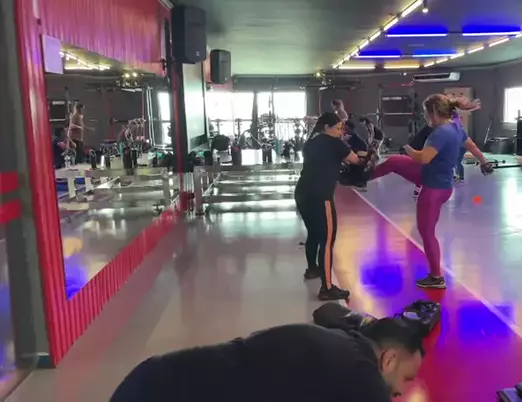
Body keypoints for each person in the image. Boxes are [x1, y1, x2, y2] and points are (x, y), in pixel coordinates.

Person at [110, 318, 424, 402]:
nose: (401, 391)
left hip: (152, 380)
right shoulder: (361, 374)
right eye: (406, 378)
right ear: (389, 359)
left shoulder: (338, 344)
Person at [367, 95, 493, 289]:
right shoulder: (457, 128)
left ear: (433, 112)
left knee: (427, 233)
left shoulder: (440, 133)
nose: (426, 117)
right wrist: (484, 162)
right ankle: (362, 177)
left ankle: (436, 277)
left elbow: (423, 158)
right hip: (436, 181)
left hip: (433, 188)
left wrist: (407, 149)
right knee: (394, 162)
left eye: (426, 113)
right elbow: (473, 146)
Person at [295, 112, 362, 300]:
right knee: (327, 240)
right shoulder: (335, 143)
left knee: (314, 234)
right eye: (338, 128)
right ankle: (327, 288)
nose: (340, 132)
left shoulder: (311, 142)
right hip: (321, 196)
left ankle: (312, 270)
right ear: (326, 127)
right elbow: (356, 160)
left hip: (302, 194)